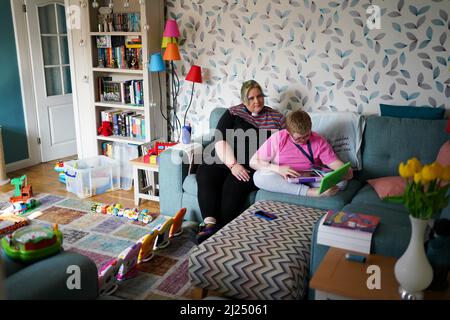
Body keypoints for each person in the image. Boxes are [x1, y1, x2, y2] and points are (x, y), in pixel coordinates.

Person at [195, 80, 285, 243]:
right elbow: (219, 139)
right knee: (205, 172)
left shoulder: (276, 118)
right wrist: (233, 165)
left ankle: (222, 232)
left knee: (236, 183)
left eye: (259, 96)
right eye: (251, 98)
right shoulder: (233, 113)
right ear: (244, 100)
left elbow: (285, 144)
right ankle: (209, 225)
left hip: (250, 164)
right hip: (225, 159)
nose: (256, 101)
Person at [250, 109, 353, 197]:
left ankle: (309, 189)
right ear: (288, 132)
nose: (303, 140)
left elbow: (335, 163)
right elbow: (253, 162)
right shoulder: (279, 138)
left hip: (311, 178)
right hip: (285, 179)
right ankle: (311, 193)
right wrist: (278, 169)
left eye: (307, 135)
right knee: (259, 177)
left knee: (342, 183)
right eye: (298, 138)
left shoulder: (319, 141)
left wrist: (344, 171)